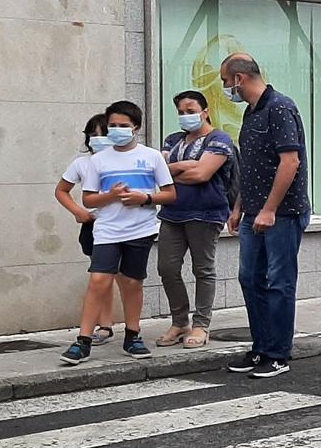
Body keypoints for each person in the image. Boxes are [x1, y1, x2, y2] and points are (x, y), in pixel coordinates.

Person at [61, 101, 175, 365]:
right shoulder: (98, 160)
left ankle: (133, 335)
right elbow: (88, 200)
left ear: (136, 127)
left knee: (133, 282)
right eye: (113, 125)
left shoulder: (152, 156)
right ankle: (83, 340)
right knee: (98, 281)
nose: (117, 130)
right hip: (107, 230)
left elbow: (170, 194)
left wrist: (143, 198)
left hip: (141, 230)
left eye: (123, 126)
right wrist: (110, 195)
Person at [221, 53, 310, 381]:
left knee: (279, 282)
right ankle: (261, 346)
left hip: (283, 214)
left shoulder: (280, 108)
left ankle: (277, 353)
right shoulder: (251, 112)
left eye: (224, 81)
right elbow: (252, 167)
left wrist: (270, 209)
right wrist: (239, 207)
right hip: (254, 211)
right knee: (250, 279)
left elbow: (290, 162)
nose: (225, 88)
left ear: (239, 79)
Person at [156, 90, 237, 350]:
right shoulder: (173, 139)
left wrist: (177, 168)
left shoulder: (219, 139)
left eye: (191, 111)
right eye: (181, 112)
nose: (185, 116)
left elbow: (202, 174)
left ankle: (201, 324)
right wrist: (185, 166)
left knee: (203, 269)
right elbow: (158, 174)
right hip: (172, 212)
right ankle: (179, 321)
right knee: (167, 268)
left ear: (205, 111)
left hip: (206, 213)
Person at [55, 114, 117, 343]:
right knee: (102, 276)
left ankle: (132, 328)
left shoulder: (127, 160)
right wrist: (78, 211)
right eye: (94, 135)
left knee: (127, 277)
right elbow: (61, 190)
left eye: (104, 134)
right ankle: (104, 325)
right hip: (95, 226)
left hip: (124, 226)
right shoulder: (82, 163)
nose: (98, 140)